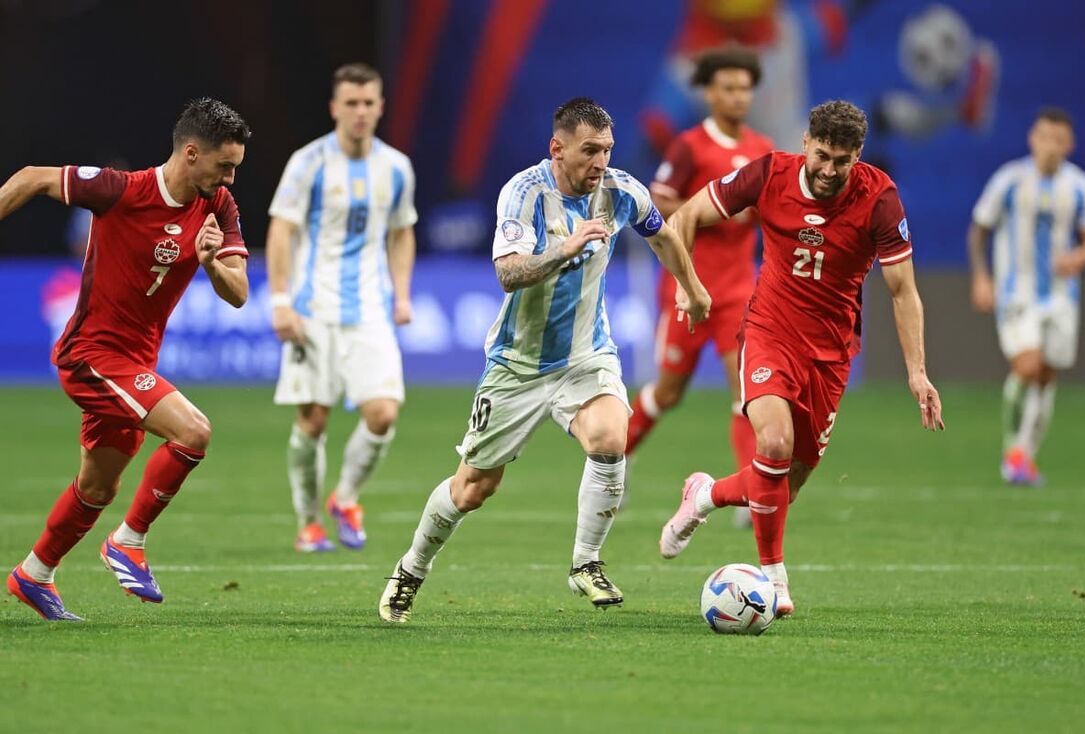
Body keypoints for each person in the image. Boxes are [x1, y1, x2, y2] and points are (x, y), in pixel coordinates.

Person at [377, 98, 711, 623]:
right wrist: (566, 248)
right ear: (557, 148)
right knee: (474, 487)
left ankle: (586, 563)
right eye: (588, 150)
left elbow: (663, 234)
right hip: (517, 364)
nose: (599, 161)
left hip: (587, 354)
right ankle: (410, 570)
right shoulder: (525, 193)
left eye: (606, 149)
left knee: (610, 436)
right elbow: (508, 273)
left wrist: (691, 287)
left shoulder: (621, 190)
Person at [658, 100, 944, 617]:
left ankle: (703, 495)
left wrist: (917, 372)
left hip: (832, 352)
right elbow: (687, 215)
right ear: (806, 143)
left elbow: (903, 291)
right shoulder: (770, 173)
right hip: (769, 330)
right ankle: (774, 579)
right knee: (774, 441)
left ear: (857, 155)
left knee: (784, 485)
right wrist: (688, 286)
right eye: (823, 156)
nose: (830, 170)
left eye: (843, 160)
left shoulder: (879, 198)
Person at [0, 98, 251, 620]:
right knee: (194, 432)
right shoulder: (121, 190)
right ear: (189, 154)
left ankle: (33, 574)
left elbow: (239, 293)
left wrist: (210, 263)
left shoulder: (217, 206)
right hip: (91, 355)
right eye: (224, 166)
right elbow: (29, 178)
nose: (230, 178)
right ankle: (127, 541)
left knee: (98, 484)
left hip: (135, 365)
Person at [267, 63, 417, 552]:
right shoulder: (308, 163)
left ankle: (346, 498)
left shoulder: (396, 167)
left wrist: (402, 294)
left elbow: (401, 231)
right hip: (313, 311)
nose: (359, 112)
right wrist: (281, 301)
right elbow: (282, 230)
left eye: (368, 102)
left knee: (383, 413)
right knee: (313, 421)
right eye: (350, 103)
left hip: (369, 310)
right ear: (335, 107)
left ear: (380, 107)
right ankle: (308, 523)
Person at [627, 44, 773, 502]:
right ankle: (615, 457)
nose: (737, 97)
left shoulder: (762, 151)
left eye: (745, 89)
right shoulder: (690, 145)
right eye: (728, 88)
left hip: (737, 290)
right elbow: (658, 199)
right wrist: (715, 210)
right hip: (685, 286)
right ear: (709, 93)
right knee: (667, 393)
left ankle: (750, 492)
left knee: (744, 390)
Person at [968, 107, 1085, 486]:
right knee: (1027, 365)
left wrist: (1077, 258)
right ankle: (1014, 450)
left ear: (1069, 145)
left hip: (1061, 297)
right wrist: (981, 277)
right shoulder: (1010, 180)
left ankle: (1024, 455)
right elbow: (980, 229)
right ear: (1033, 138)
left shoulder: (1079, 186)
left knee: (1045, 375)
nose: (1051, 146)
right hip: (1017, 291)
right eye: (1045, 137)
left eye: (1059, 140)